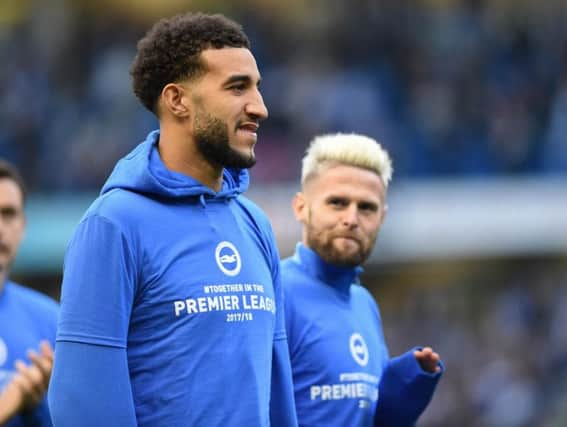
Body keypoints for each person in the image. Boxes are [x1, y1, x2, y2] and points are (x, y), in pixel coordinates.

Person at [48, 12, 296, 427]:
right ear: (177, 100)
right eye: (237, 88)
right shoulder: (113, 226)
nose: (260, 108)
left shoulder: (255, 224)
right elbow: (82, 408)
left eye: (257, 88)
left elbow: (277, 395)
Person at [281, 133, 444, 427]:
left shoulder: (364, 305)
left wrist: (409, 386)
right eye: (337, 203)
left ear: (382, 217)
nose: (352, 218)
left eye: (366, 207)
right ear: (301, 207)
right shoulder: (275, 293)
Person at [0, 159, 57, 427]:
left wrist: (39, 405)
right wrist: (11, 400)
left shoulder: (53, 322)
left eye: (8, 214)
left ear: (23, 225)